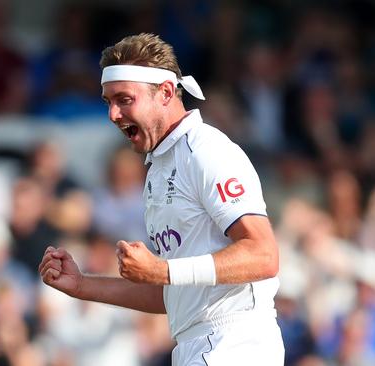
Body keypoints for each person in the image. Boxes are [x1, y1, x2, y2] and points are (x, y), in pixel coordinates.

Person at [39, 33, 284, 365]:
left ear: (166, 92)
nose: (113, 113)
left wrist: (164, 270)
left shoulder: (205, 151)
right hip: (196, 344)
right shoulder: (158, 168)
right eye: (107, 101)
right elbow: (171, 290)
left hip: (235, 342)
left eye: (124, 99)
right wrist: (83, 285)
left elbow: (263, 255)